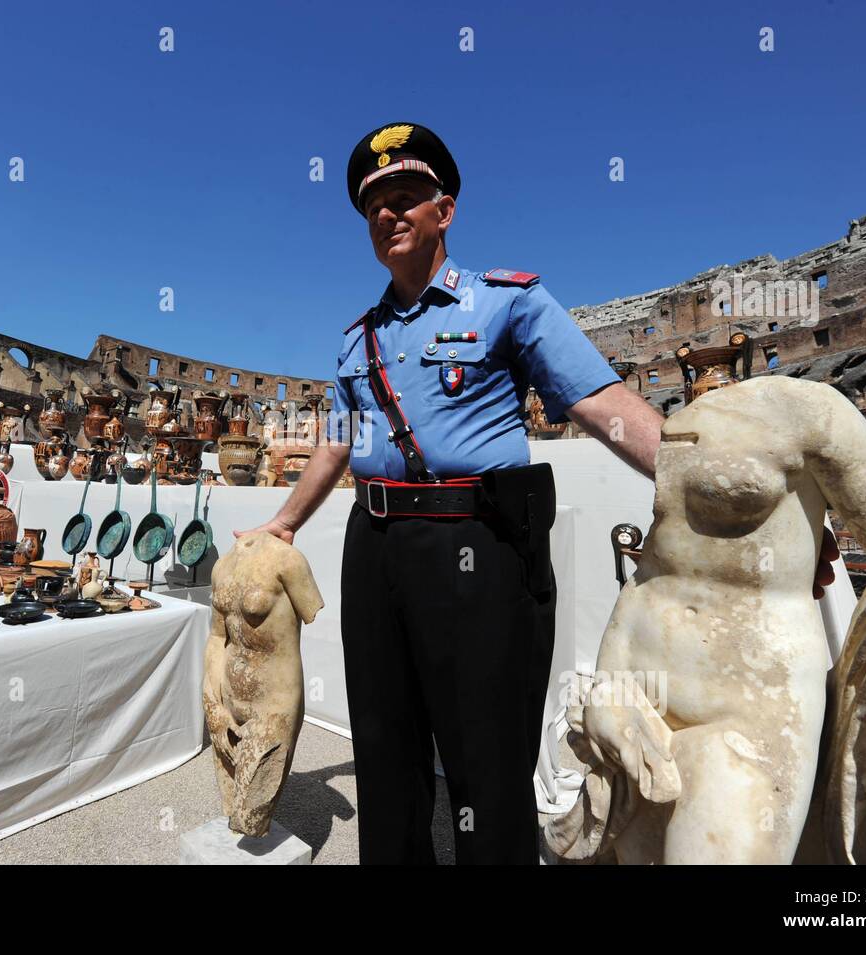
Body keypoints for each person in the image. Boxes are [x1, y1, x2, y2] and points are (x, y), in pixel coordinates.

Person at [234, 122, 831, 864]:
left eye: (406, 196)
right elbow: (335, 440)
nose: (388, 213)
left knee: (485, 753)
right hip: (375, 546)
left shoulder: (507, 303)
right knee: (386, 745)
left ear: (444, 210)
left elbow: (599, 401)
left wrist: (718, 491)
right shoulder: (357, 340)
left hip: (475, 547)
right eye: (374, 204)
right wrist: (285, 521)